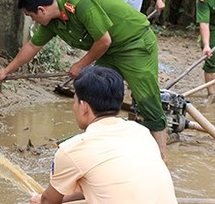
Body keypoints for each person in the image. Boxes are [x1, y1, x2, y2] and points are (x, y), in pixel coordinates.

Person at [0, 0, 168, 159]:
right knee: (95, 94)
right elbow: (32, 46)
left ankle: (162, 159)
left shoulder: (79, 4)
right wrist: (6, 71)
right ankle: (100, 150)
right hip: (110, 50)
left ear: (41, 10)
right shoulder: (52, 23)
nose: (33, 20)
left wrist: (80, 65)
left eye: (30, 16)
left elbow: (104, 40)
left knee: (147, 99)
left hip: (134, 43)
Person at [29, 66, 177, 204]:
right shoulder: (141, 132)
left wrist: (40, 200)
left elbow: (49, 201)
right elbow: (107, 183)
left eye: (74, 101)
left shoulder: (72, 150)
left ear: (83, 107)